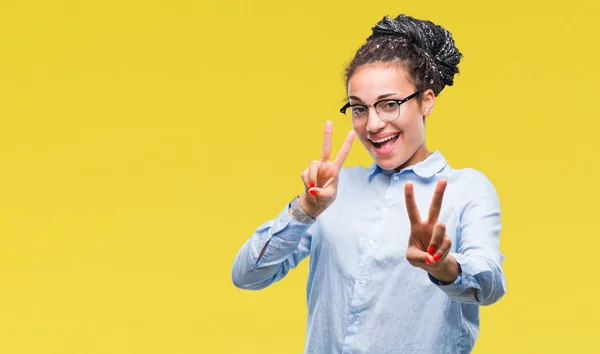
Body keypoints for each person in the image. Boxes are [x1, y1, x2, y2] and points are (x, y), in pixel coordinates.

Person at [231, 14, 506, 354]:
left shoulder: (468, 189)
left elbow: (490, 285)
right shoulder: (333, 190)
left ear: (427, 100)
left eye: (390, 105)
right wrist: (305, 209)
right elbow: (247, 275)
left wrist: (444, 267)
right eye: (359, 109)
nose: (373, 124)